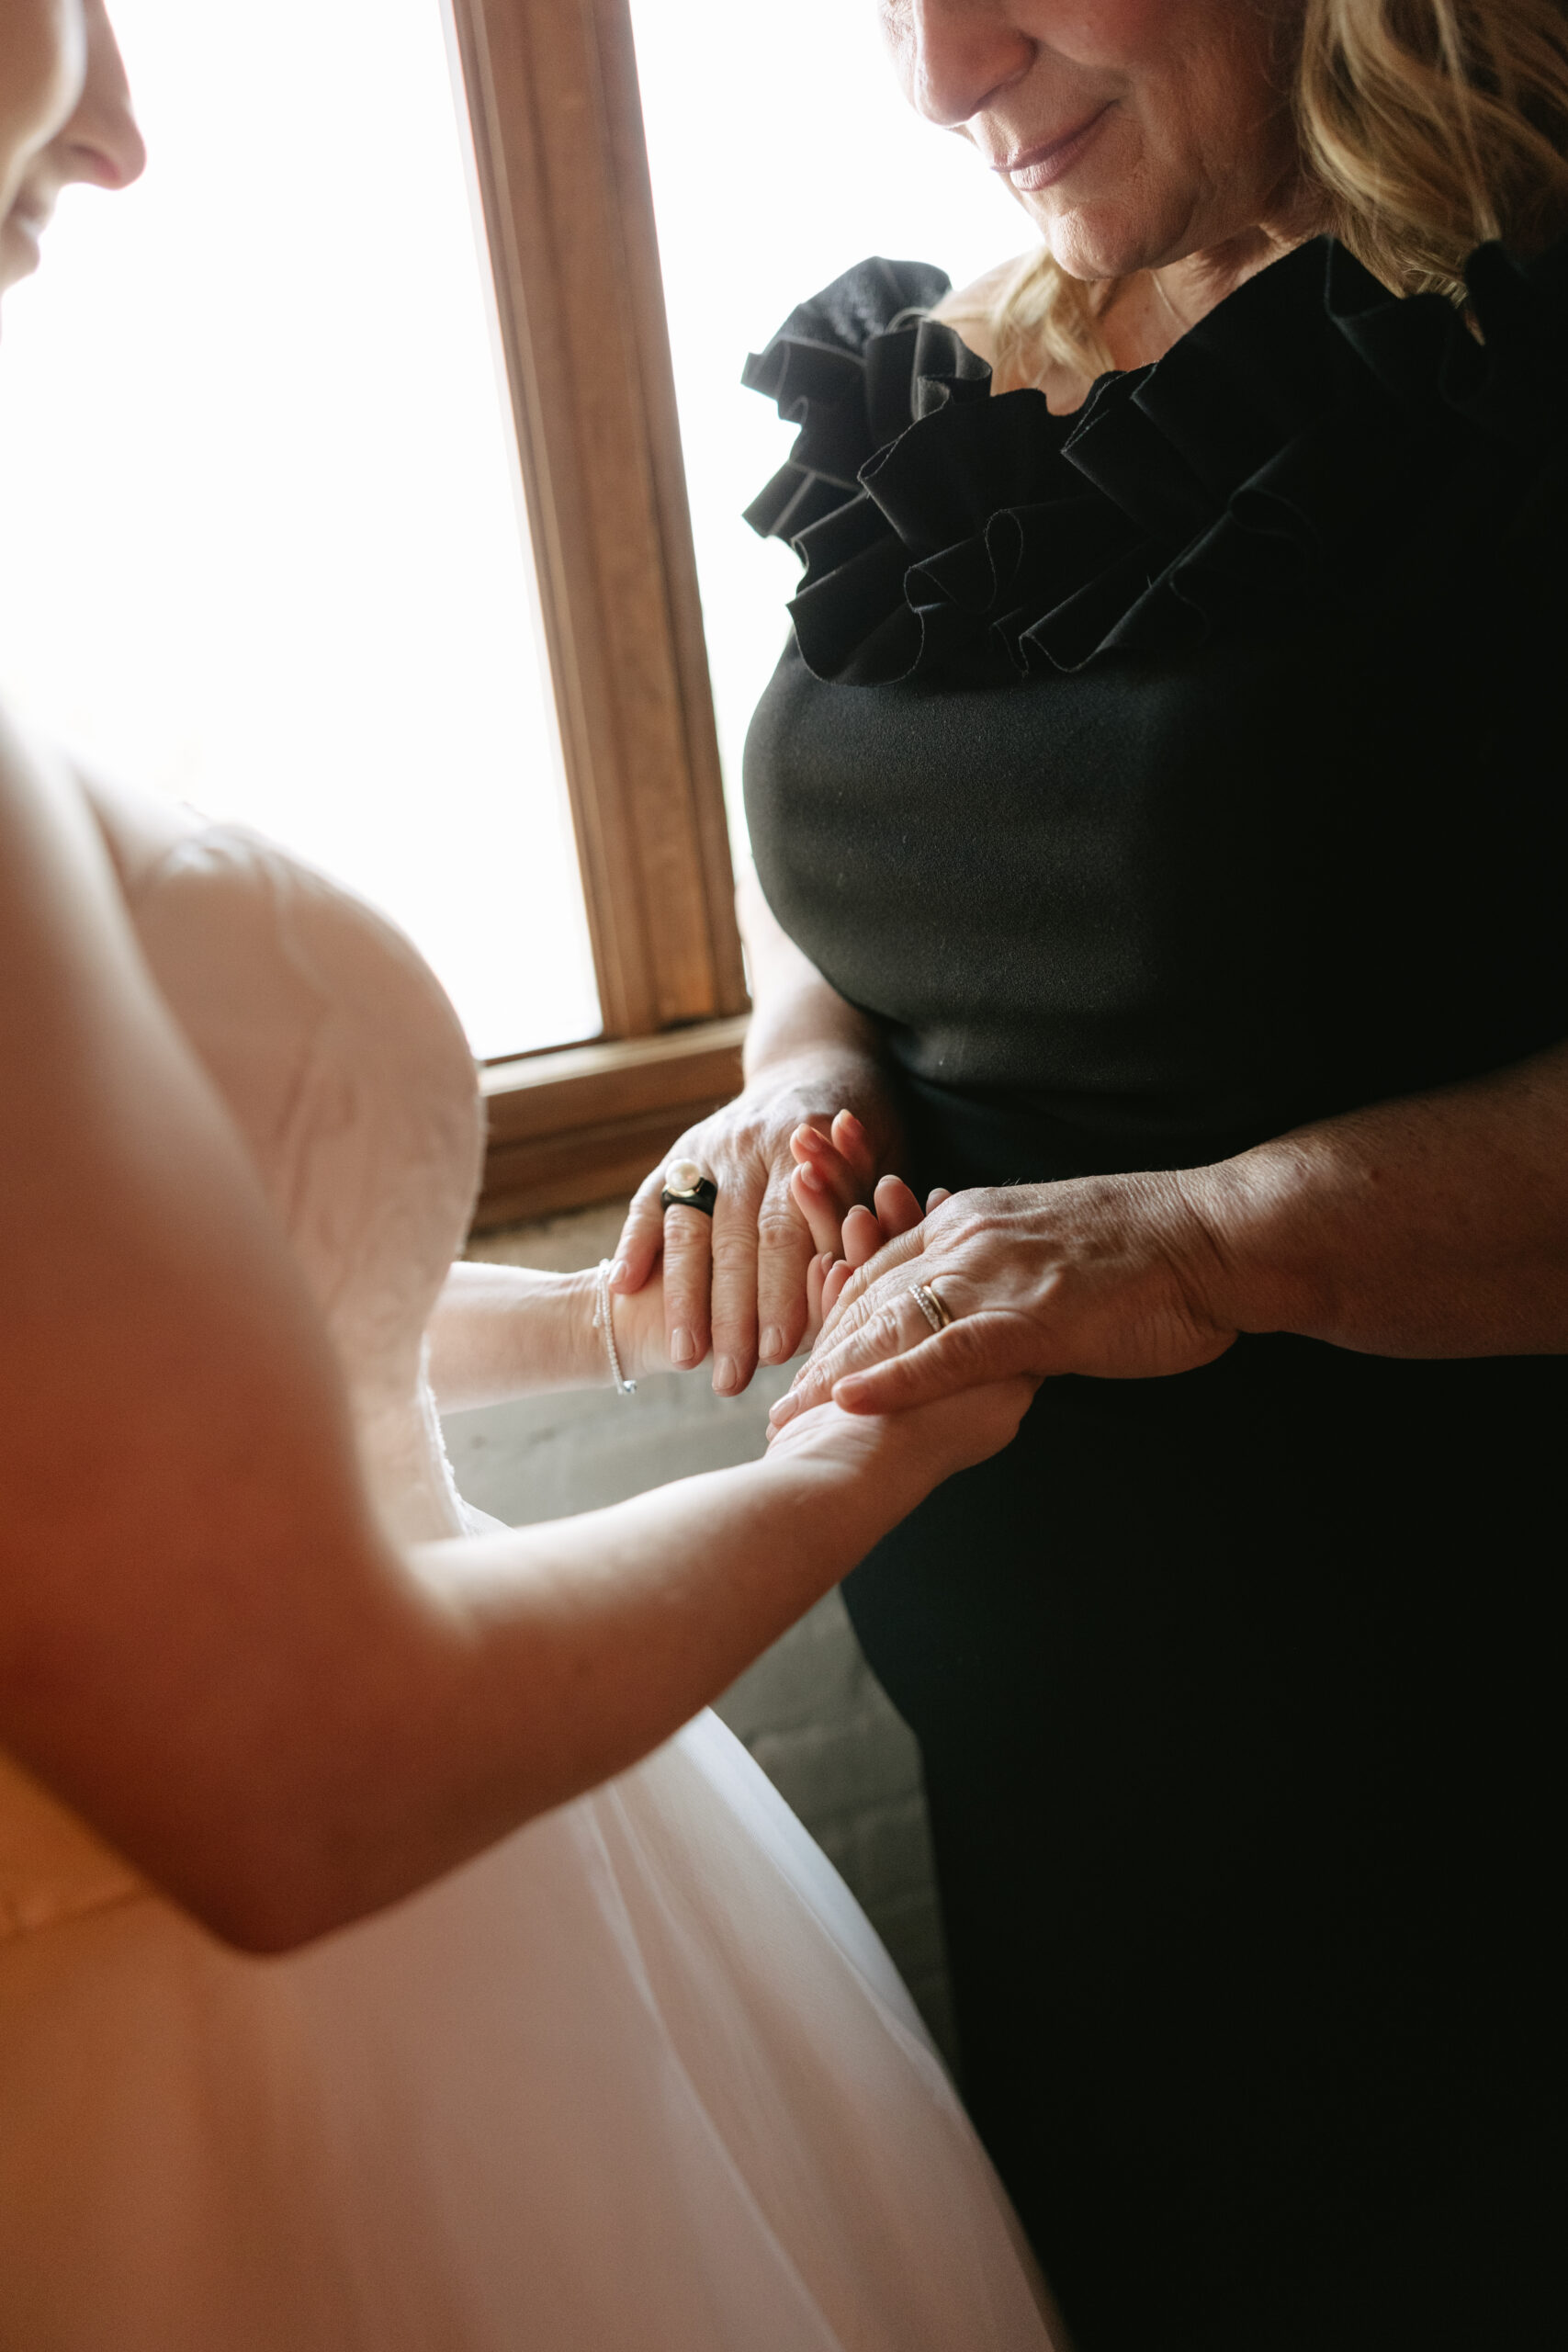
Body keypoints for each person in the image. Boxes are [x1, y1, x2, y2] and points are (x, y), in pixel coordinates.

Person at [0, 6, 1061, 2344]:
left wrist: (598, 1315)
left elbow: (165, 1350)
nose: (124, 122)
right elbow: (295, 1782)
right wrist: (885, 1439)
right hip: (253, 2015)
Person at [615, 1, 1568, 2345]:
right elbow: (857, 894)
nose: (943, 72)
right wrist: (799, 1076)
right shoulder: (938, 382)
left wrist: (1207, 1232)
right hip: (1054, 1738)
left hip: (1467, 1742)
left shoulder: (1522, 359)